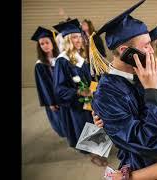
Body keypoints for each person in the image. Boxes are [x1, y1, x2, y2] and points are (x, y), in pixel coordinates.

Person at [91, 0, 157, 177]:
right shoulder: (106, 95)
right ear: (125, 51)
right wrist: (152, 91)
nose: (152, 51)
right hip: (141, 170)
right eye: (146, 46)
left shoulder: (144, 70)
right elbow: (151, 142)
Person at [53, 19, 106, 166]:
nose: (79, 40)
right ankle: (93, 154)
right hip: (76, 104)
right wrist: (78, 92)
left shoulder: (80, 56)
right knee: (84, 125)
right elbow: (59, 89)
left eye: (79, 36)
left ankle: (98, 151)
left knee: (94, 122)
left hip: (89, 99)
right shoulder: (62, 61)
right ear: (68, 40)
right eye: (74, 37)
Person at [31, 26, 65, 138]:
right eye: (42, 44)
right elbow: (43, 86)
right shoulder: (40, 65)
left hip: (65, 95)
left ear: (52, 43)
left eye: (47, 42)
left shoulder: (60, 59)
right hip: (54, 98)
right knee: (60, 120)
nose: (45, 45)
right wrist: (50, 102)